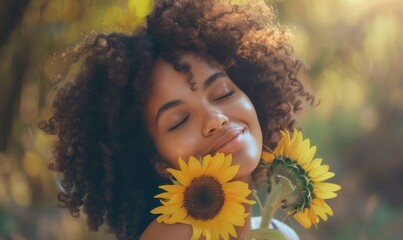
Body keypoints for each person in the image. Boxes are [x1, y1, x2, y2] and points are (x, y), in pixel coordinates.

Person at [39, 0, 313, 239]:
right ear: (159, 163)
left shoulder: (281, 233)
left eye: (223, 93)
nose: (215, 119)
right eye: (179, 121)